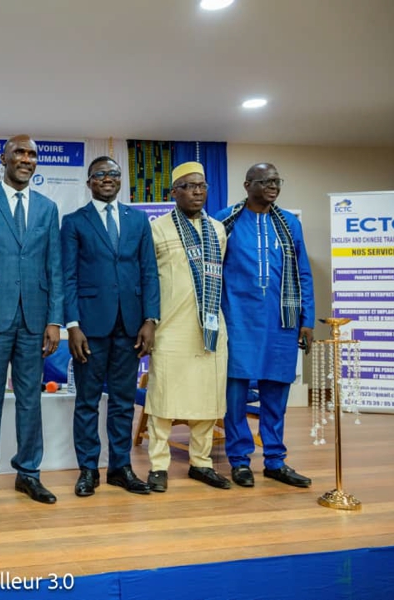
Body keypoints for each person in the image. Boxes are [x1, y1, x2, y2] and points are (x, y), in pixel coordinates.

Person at [0, 134, 63, 507]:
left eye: (33, 154)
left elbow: (54, 267)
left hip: (35, 321)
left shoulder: (48, 208)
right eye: (19, 152)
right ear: (3, 158)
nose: (26, 159)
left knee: (29, 401)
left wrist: (55, 320)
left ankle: (28, 474)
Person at [60, 156, 159, 497]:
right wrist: (72, 324)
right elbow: (67, 277)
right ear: (89, 182)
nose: (107, 178)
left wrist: (150, 319)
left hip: (131, 326)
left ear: (121, 180)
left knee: (122, 401)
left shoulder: (138, 221)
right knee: (87, 401)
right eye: (99, 174)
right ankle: (88, 469)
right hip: (90, 326)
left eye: (113, 174)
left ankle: (120, 467)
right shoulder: (74, 222)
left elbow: (149, 272)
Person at [215, 163, 315, 488]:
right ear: (247, 185)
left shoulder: (290, 224)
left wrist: (307, 319)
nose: (273, 186)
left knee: (276, 392)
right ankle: (240, 460)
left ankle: (275, 460)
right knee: (236, 396)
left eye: (276, 181)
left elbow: (303, 273)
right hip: (237, 320)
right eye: (265, 181)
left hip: (281, 321)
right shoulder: (225, 220)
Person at [146, 161, 231, 492]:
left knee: (208, 399)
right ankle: (158, 465)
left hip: (209, 328)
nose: (198, 191)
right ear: (174, 192)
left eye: (203, 186)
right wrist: (150, 321)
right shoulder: (158, 229)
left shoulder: (218, 229)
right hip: (170, 325)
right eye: (190, 186)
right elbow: (149, 279)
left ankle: (202, 463)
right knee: (163, 399)